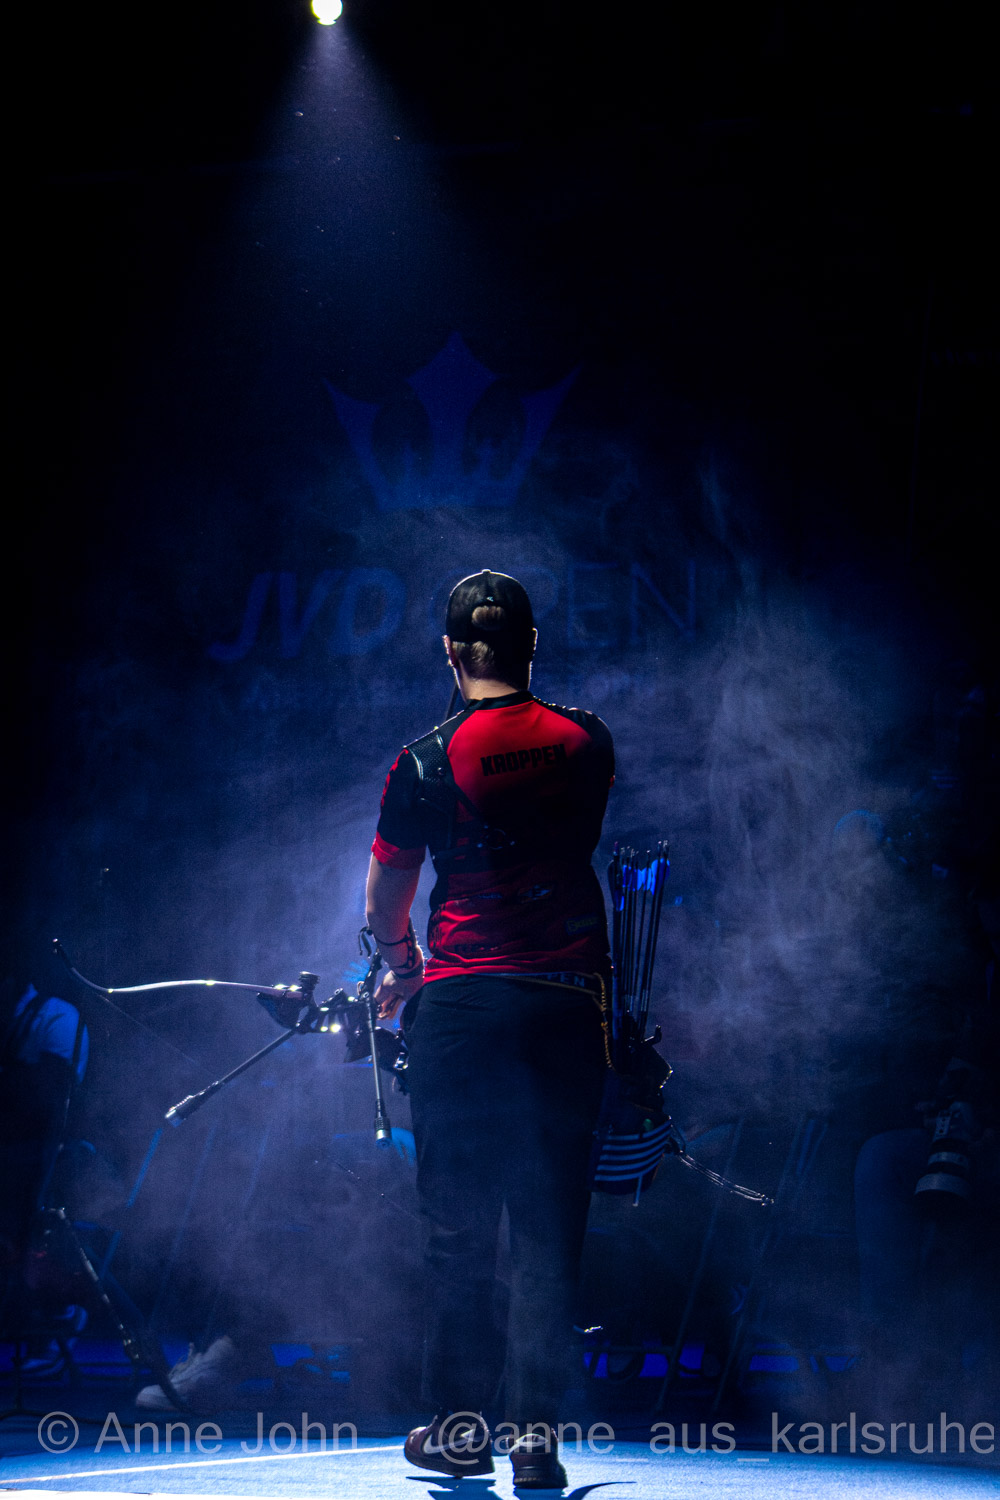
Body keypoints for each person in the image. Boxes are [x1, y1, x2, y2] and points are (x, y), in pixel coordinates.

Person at [366, 568, 614, 1489]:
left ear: (449, 651)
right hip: (562, 1003)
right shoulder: (586, 741)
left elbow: (387, 891)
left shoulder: (424, 759)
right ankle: (535, 1440)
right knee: (548, 1233)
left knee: (459, 1232)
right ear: (532, 644)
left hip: (464, 1008)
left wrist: (401, 968)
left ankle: (461, 1429)